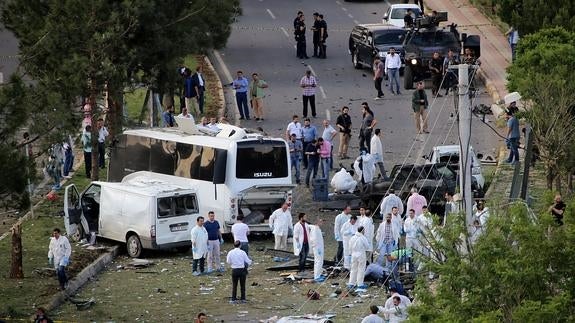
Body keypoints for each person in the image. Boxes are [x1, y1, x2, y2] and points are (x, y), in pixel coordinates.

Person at [309, 217, 325, 282]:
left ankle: (319, 274)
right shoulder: (315, 229)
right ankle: (317, 276)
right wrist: (316, 247)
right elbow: (313, 239)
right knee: (318, 261)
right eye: (320, 221)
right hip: (317, 248)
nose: (322, 222)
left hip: (320, 247)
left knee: (320, 261)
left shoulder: (317, 228)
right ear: (317, 222)